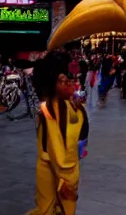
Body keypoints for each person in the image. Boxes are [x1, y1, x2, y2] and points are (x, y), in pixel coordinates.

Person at [28, 51, 89, 215]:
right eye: (64, 80)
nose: (70, 84)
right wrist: (68, 183)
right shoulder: (53, 110)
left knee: (46, 207)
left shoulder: (62, 106)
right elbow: (62, 158)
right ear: (54, 83)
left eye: (70, 79)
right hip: (58, 171)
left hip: (47, 167)